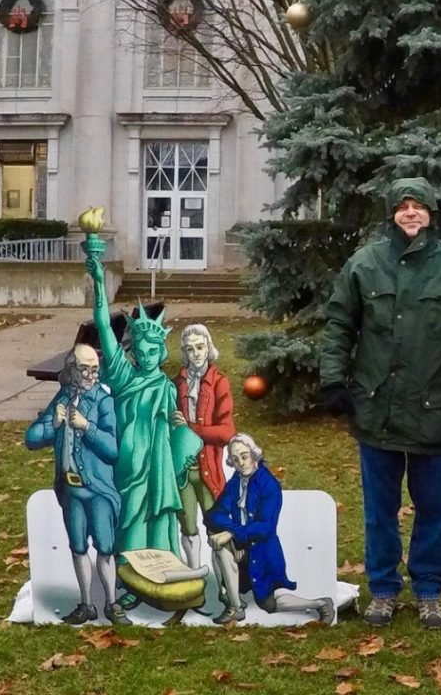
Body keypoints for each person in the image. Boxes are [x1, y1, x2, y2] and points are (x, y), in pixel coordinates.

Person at [318, 177, 441, 630]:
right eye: (403, 206)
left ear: (433, 213)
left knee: (434, 508)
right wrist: (334, 380)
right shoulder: (365, 263)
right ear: (392, 213)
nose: (411, 213)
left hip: (437, 409)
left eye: (419, 206)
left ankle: (430, 588)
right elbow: (339, 325)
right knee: (380, 508)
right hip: (375, 407)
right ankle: (381, 587)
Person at [85, 256, 203, 611]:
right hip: (129, 464)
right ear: (132, 350)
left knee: (161, 518)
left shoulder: (166, 385)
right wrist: (98, 279)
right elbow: (105, 328)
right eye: (142, 349)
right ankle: (129, 581)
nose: (149, 354)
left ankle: (161, 578)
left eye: (155, 349)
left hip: (160, 466)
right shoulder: (122, 377)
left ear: (162, 350)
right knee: (131, 516)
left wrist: (182, 431)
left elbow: (171, 421)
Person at [24, 344, 130, 625]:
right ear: (72, 370)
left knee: (105, 547)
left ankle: (112, 603)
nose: (91, 375)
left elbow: (112, 449)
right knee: (78, 546)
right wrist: (53, 425)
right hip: (70, 488)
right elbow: (31, 438)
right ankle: (86, 603)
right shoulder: (62, 397)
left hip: (98, 490)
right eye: (85, 369)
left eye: (95, 369)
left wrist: (87, 427)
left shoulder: (103, 401)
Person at [205, 433, 335, 625]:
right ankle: (234, 606)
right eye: (235, 459)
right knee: (217, 543)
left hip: (263, 552)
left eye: (244, 456)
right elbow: (213, 514)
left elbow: (265, 527)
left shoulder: (269, 485)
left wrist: (233, 532)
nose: (241, 462)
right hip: (241, 546)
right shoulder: (234, 483)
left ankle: (320, 603)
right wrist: (234, 535)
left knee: (269, 603)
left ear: (254, 454)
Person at [173, 323, 236, 569]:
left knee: (216, 525)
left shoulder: (219, 382)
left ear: (209, 348)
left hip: (209, 466)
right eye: (190, 349)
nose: (196, 354)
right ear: (184, 352)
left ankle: (223, 582)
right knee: (187, 525)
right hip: (183, 470)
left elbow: (227, 431)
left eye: (200, 347)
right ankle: (193, 573)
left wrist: (190, 428)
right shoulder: (176, 383)